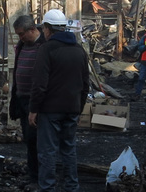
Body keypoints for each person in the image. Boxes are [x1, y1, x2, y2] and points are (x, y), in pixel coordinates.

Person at [29, 9, 90, 192]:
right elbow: (85, 84)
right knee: (68, 149)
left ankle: (48, 188)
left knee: (47, 151)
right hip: (71, 108)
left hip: (50, 110)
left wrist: (33, 109)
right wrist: (78, 109)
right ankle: (72, 187)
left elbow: (39, 84)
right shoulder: (79, 50)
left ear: (47, 29)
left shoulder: (46, 49)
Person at [8, 15, 46, 186]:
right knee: (29, 139)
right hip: (22, 99)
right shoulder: (23, 45)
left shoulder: (45, 45)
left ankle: (40, 177)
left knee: (38, 140)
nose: (20, 37)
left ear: (33, 29)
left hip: (37, 101)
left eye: (22, 34)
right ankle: (33, 175)